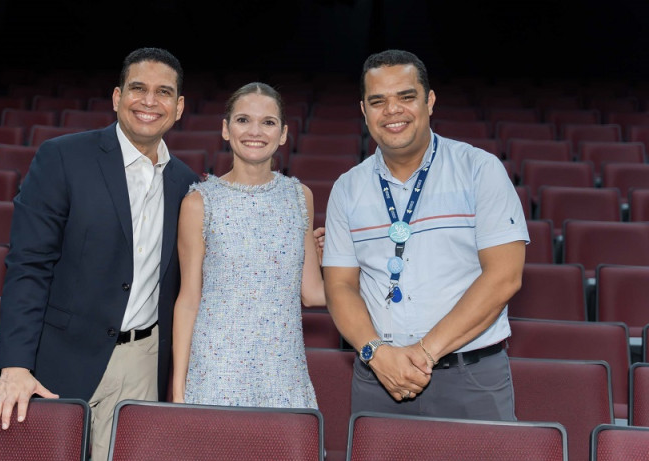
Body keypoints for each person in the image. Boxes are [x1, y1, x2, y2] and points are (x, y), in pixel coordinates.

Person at [0, 47, 200, 460]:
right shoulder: (62, 158)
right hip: (61, 360)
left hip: (143, 364)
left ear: (179, 106)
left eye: (163, 92)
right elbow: (28, 267)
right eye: (138, 88)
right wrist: (14, 365)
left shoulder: (186, 185)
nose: (150, 102)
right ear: (117, 97)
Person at [322, 49, 528, 420]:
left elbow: (504, 277)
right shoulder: (347, 188)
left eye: (406, 97)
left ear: (429, 101)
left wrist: (424, 354)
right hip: (378, 378)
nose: (392, 111)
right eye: (378, 101)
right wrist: (377, 354)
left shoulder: (480, 170)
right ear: (364, 111)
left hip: (472, 378)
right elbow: (340, 287)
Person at [172, 82, 325, 408]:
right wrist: (177, 387)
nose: (255, 131)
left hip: (282, 370)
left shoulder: (301, 198)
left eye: (268, 122)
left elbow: (312, 293)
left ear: (283, 134)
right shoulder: (199, 202)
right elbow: (188, 299)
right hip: (215, 370)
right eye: (243, 120)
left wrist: (358, 268)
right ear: (226, 130)